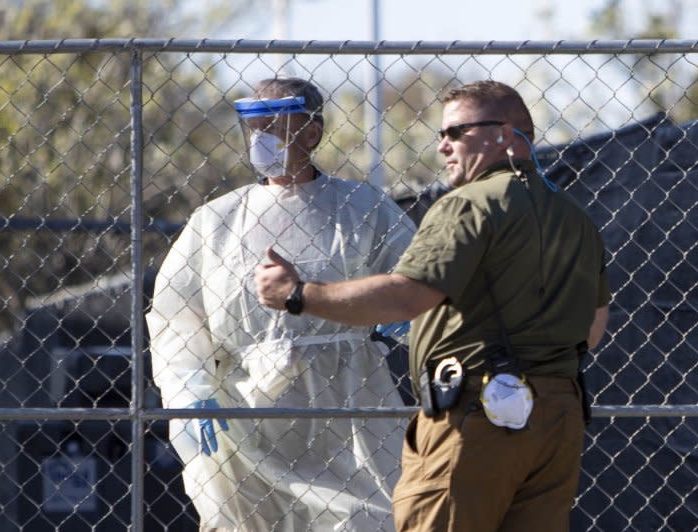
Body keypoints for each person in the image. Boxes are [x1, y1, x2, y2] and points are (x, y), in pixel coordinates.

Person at [255, 80, 611, 531]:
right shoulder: (573, 216)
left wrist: (298, 294)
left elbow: (408, 296)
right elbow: (592, 330)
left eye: (455, 132)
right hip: (558, 419)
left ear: (503, 134)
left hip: (479, 418)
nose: (442, 145)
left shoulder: (468, 205)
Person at [146, 77, 416, 531]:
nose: (261, 137)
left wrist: (401, 316)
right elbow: (178, 314)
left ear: (312, 133)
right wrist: (189, 389)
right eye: (254, 126)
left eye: (274, 123)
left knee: (368, 517)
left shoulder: (361, 206)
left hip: (348, 402)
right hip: (245, 414)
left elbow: (418, 278)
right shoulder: (216, 222)